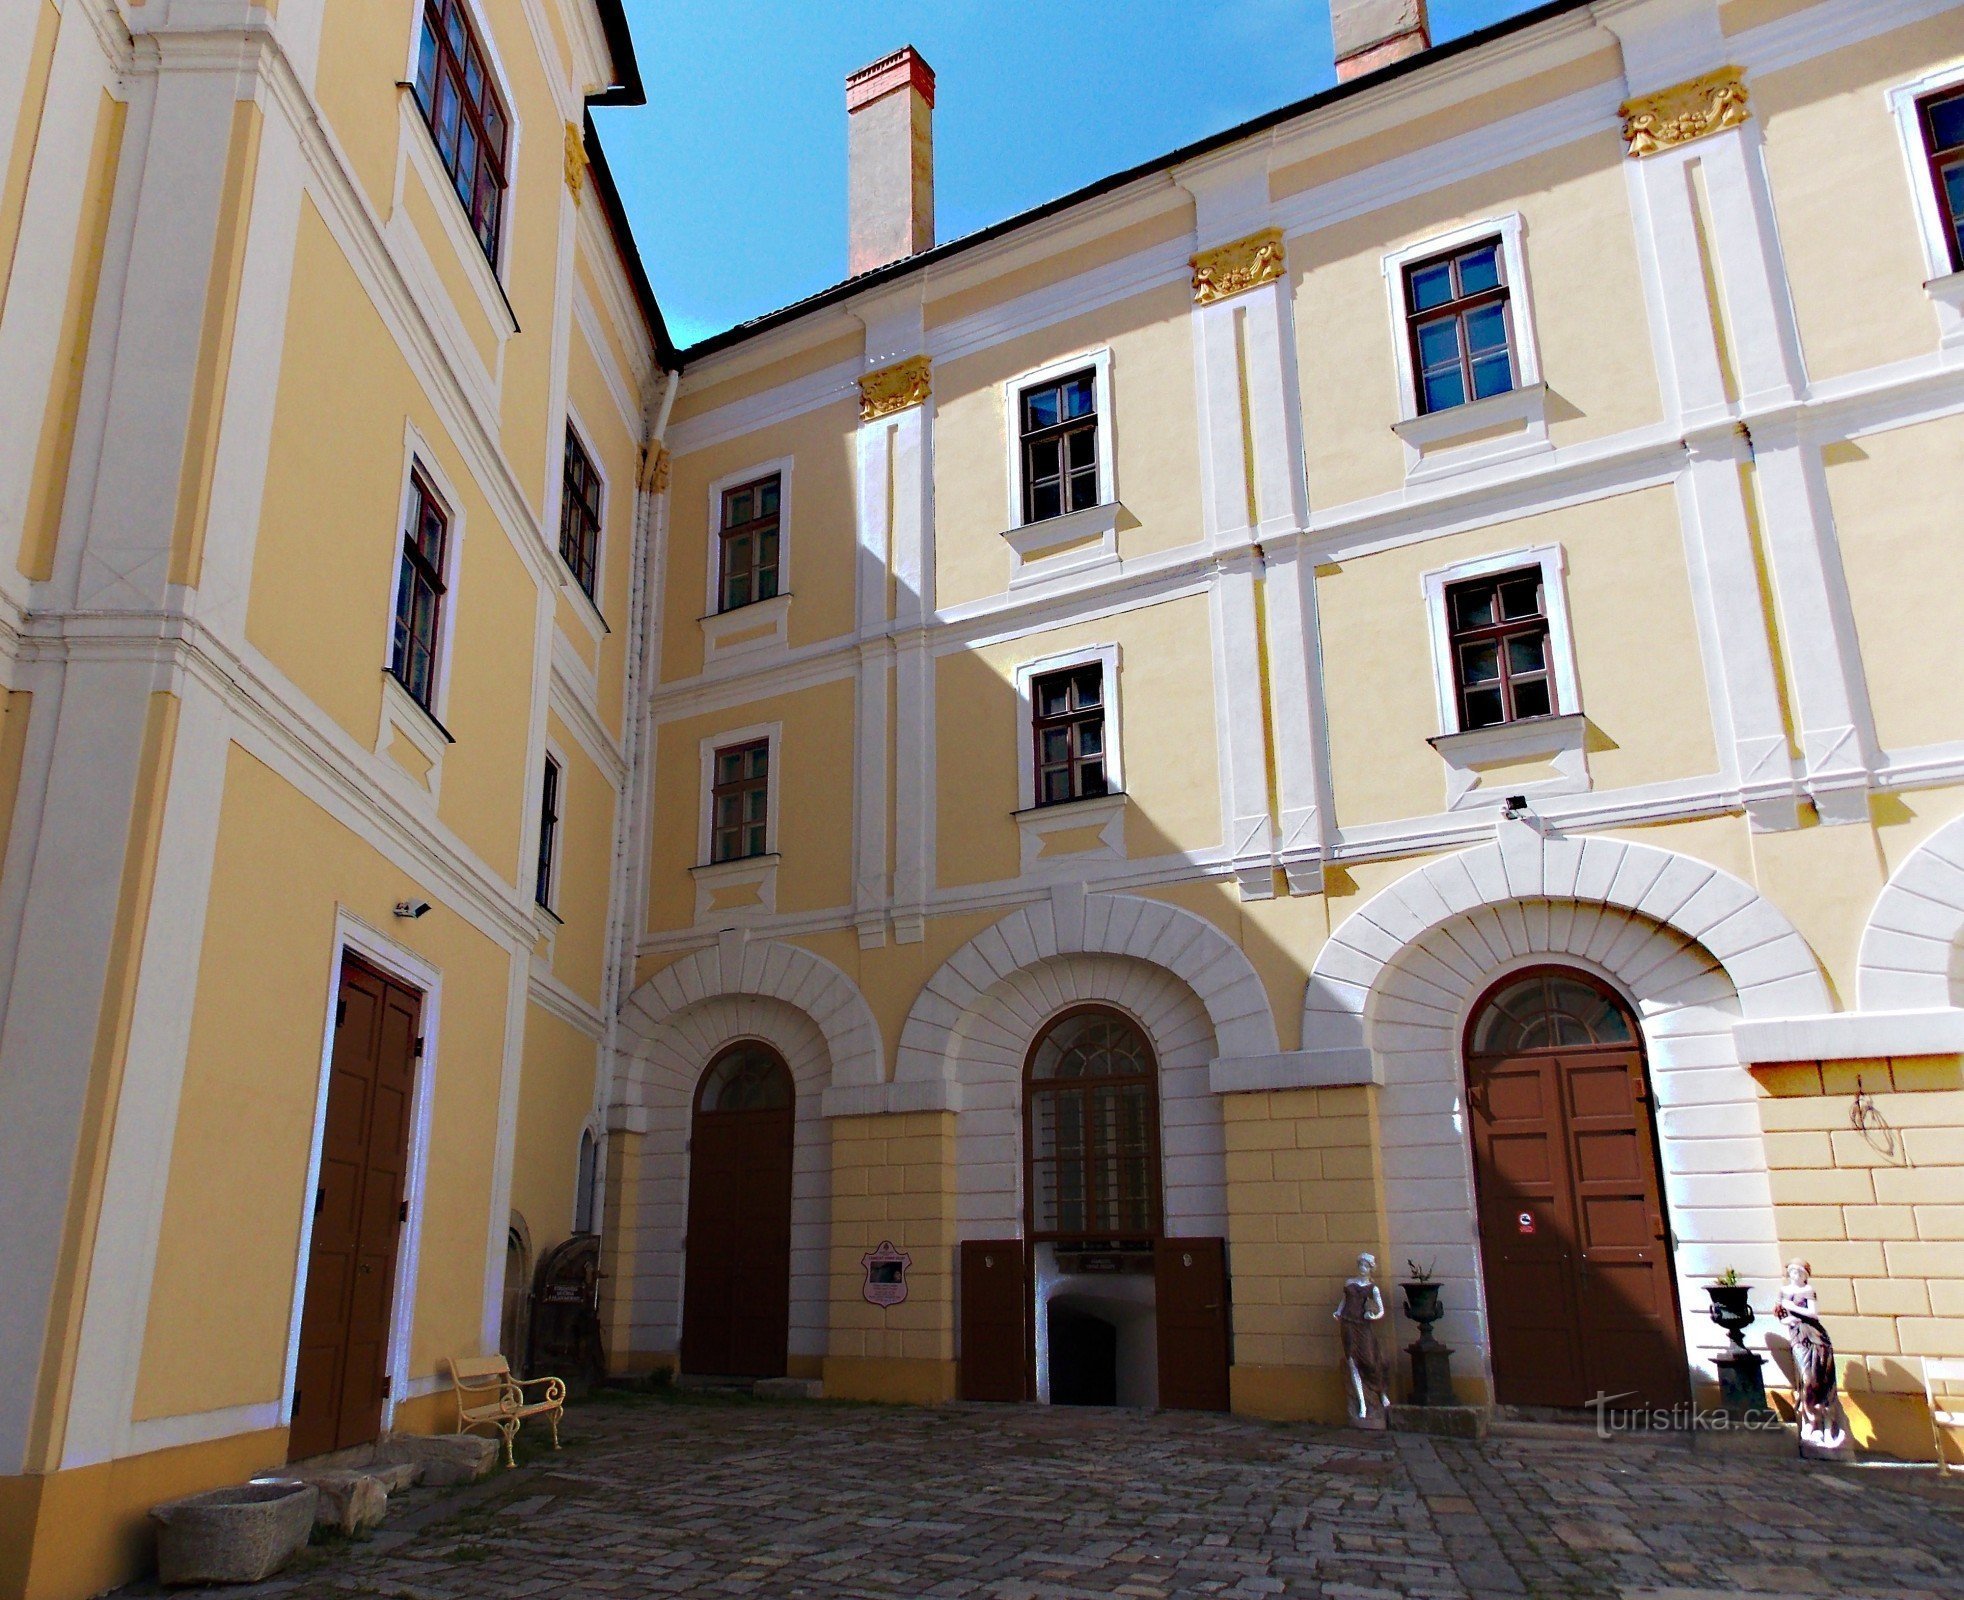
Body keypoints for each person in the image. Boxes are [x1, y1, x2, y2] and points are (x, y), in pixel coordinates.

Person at [1776, 1259, 1849, 1456]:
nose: (1796, 1275)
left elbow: (1813, 1314)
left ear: (1806, 1275)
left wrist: (1791, 1306)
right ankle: (1812, 1421)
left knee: (1819, 1378)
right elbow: (1781, 1314)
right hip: (1798, 1337)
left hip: (1815, 1337)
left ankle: (1822, 1422)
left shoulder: (1808, 1291)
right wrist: (1787, 1318)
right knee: (1806, 1378)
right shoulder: (1783, 1291)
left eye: (1800, 1273)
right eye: (1793, 1272)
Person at [1335, 1252, 1391, 1427]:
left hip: (1363, 1326)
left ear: (1370, 1269)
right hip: (1348, 1325)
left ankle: (1380, 1391)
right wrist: (1338, 1312)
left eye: (1365, 1266)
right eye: (1360, 1265)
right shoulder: (1349, 1284)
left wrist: (1373, 1316)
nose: (1362, 1269)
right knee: (1352, 1362)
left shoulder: (1372, 1288)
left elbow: (1381, 1310)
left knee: (1369, 1360)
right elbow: (1343, 1301)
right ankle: (1362, 1403)